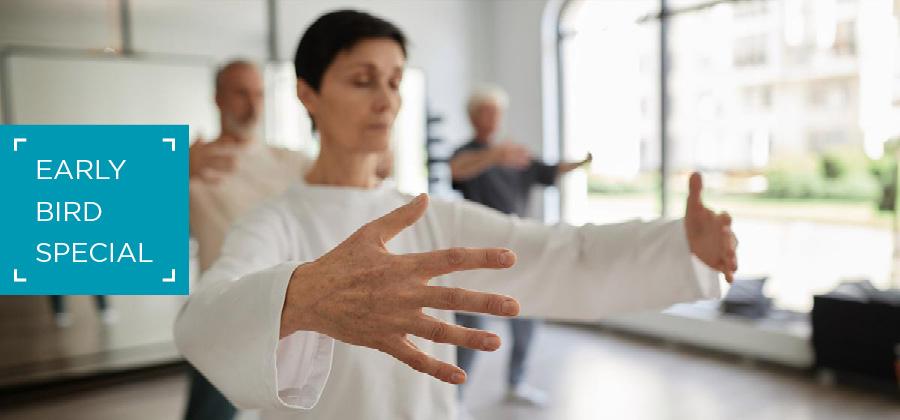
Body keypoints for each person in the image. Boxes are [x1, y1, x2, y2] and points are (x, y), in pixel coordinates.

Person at [174, 10, 738, 420]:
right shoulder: (275, 221)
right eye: (362, 80)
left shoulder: (426, 216)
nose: (386, 99)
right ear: (308, 95)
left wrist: (679, 247)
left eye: (394, 81)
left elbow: (559, 255)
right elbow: (204, 319)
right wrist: (302, 298)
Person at [184, 60, 311, 420]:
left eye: (258, 94)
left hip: (288, 311)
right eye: (241, 93)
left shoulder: (288, 161)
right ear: (218, 99)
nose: (253, 105)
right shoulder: (195, 163)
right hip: (223, 313)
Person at [450, 85, 591, 406]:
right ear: (473, 117)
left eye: (496, 112)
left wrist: (585, 161)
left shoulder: (515, 156)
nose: (492, 118)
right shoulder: (468, 154)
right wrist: (493, 155)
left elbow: (549, 169)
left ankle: (516, 382)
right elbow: (456, 171)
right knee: (471, 326)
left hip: (516, 251)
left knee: (527, 316)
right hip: (477, 256)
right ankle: (454, 399)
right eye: (486, 111)